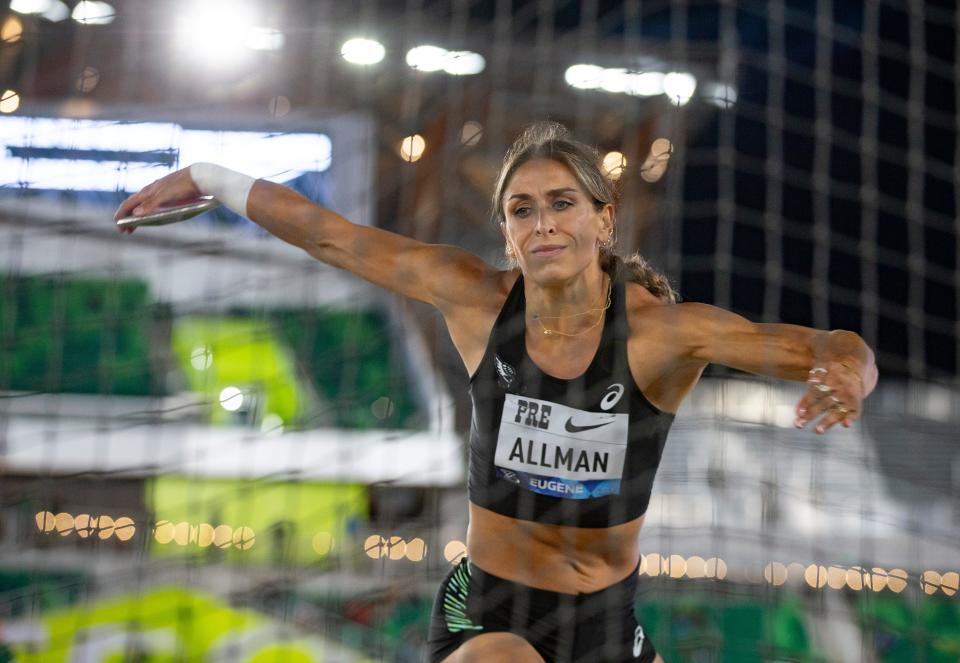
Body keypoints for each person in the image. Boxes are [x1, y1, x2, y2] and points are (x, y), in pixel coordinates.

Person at [116, 122, 878, 663]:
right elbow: (333, 236)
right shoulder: (476, 300)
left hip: (606, 621)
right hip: (490, 606)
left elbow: (826, 345)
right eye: (522, 210)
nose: (542, 223)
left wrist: (847, 373)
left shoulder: (664, 336)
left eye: (561, 203)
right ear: (507, 235)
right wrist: (211, 176)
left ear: (603, 219)